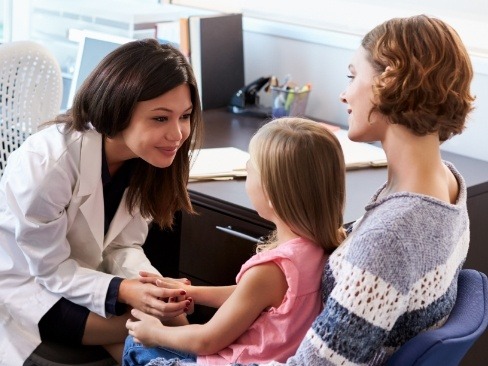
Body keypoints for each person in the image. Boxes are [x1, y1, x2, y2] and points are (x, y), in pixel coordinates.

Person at [138, 14, 475, 366]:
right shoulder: (447, 188)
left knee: (138, 345)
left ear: (389, 81)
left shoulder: (389, 238)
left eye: (352, 75)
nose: (345, 94)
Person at [0, 39, 204, 365]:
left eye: (185, 116)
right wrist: (125, 291)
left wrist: (153, 286)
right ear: (118, 108)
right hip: (33, 288)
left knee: (170, 318)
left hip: (84, 276)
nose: (178, 134)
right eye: (160, 119)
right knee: (163, 329)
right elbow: (51, 271)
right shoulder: (49, 163)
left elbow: (123, 247)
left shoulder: (145, 159)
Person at [122, 117, 347, 365]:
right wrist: (191, 292)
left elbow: (207, 340)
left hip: (237, 360)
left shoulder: (271, 269)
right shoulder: (321, 248)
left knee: (135, 346)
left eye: (251, 169)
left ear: (272, 194)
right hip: (276, 357)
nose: (247, 171)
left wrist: (155, 332)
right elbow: (248, 296)